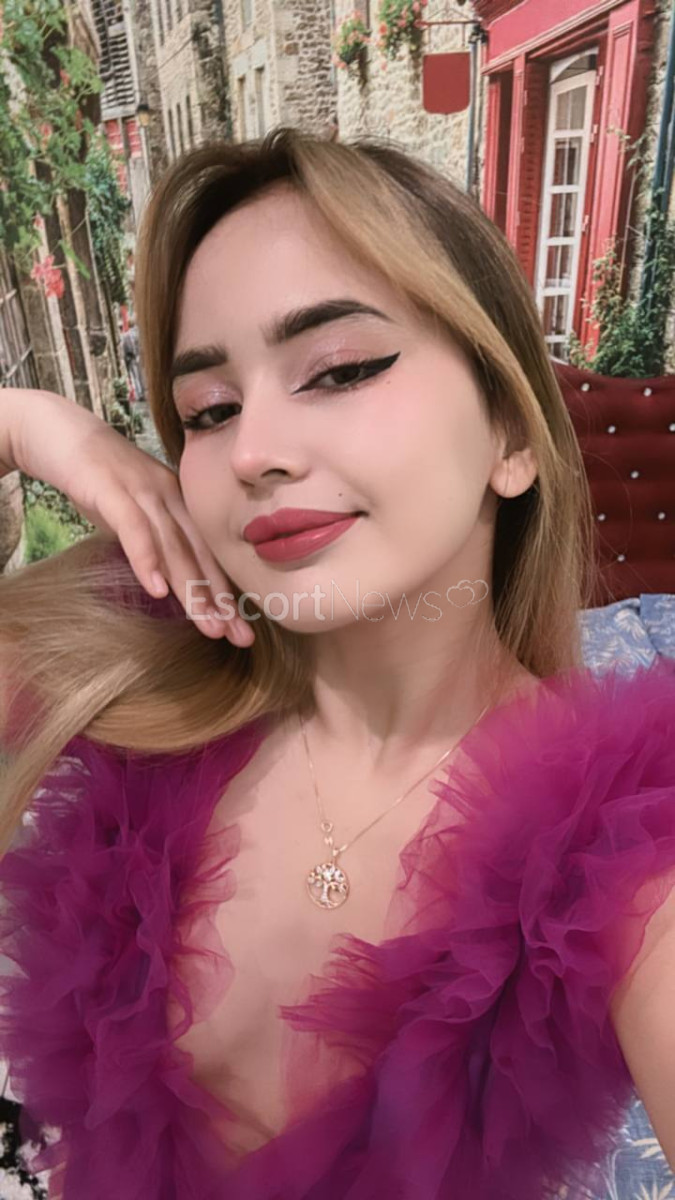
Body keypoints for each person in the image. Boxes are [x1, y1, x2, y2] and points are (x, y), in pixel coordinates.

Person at [0, 127, 674, 1200]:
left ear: (510, 431)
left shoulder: (624, 843)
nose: (253, 451)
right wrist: (33, 429)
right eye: (207, 411)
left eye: (340, 369)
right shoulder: (122, 666)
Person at [121, 314, 146, 403]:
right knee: (141, 375)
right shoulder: (140, 333)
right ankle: (143, 391)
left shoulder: (126, 335)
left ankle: (139, 394)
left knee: (135, 376)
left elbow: (124, 348)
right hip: (140, 356)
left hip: (132, 358)